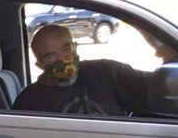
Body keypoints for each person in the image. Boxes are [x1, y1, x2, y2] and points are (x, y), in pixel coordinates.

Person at [13, 24, 150, 116]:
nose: (62, 58)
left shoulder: (107, 72)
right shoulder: (28, 102)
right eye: (51, 56)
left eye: (66, 48)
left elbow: (156, 88)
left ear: (75, 46)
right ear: (40, 65)